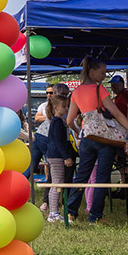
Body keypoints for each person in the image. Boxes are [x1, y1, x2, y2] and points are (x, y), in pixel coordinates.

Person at [66, 57, 128, 224]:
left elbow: (69, 120)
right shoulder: (99, 89)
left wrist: (79, 131)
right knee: (102, 178)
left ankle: (71, 212)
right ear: (92, 72)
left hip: (87, 138)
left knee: (82, 176)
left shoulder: (76, 91)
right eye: (102, 73)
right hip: (104, 139)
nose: (104, 76)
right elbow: (116, 113)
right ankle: (95, 216)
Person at [45, 94, 75, 223]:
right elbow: (57, 141)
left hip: (55, 155)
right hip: (56, 155)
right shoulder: (57, 122)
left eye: (67, 106)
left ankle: (54, 212)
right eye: (64, 106)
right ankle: (53, 213)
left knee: (58, 183)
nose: (67, 108)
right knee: (57, 183)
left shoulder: (59, 121)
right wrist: (65, 157)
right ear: (56, 108)